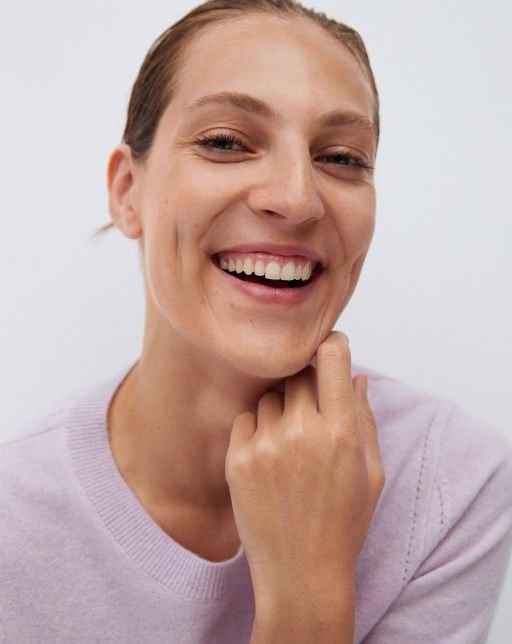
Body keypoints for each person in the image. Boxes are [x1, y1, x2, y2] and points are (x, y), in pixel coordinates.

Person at [1, 1, 511, 642]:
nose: (296, 198)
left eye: (342, 158)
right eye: (225, 143)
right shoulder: (13, 520)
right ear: (128, 192)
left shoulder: (448, 480)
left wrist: (307, 578)